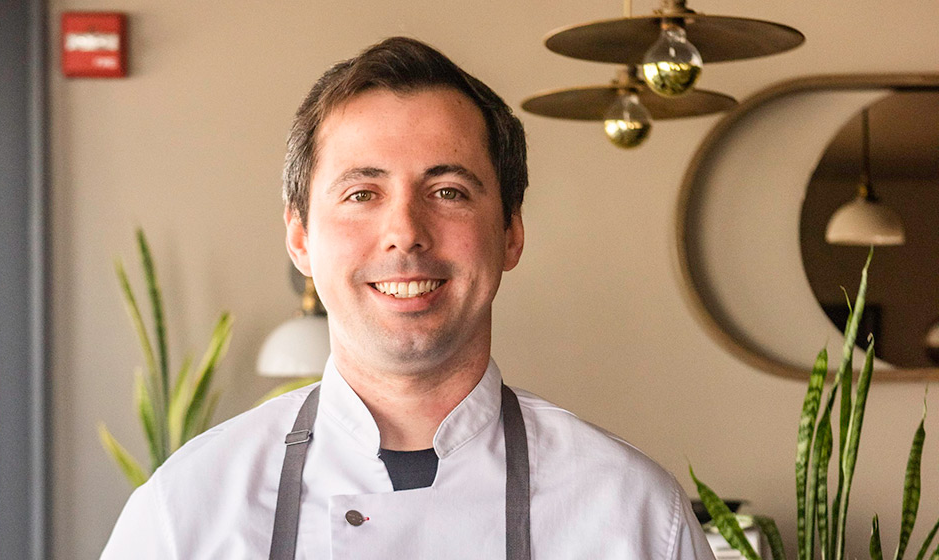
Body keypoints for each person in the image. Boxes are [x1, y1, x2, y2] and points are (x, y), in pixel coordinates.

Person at [101, 36, 715, 560]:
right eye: (362, 193)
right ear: (300, 238)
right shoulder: (182, 515)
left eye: (448, 191)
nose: (405, 233)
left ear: (511, 233)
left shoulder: (631, 515)